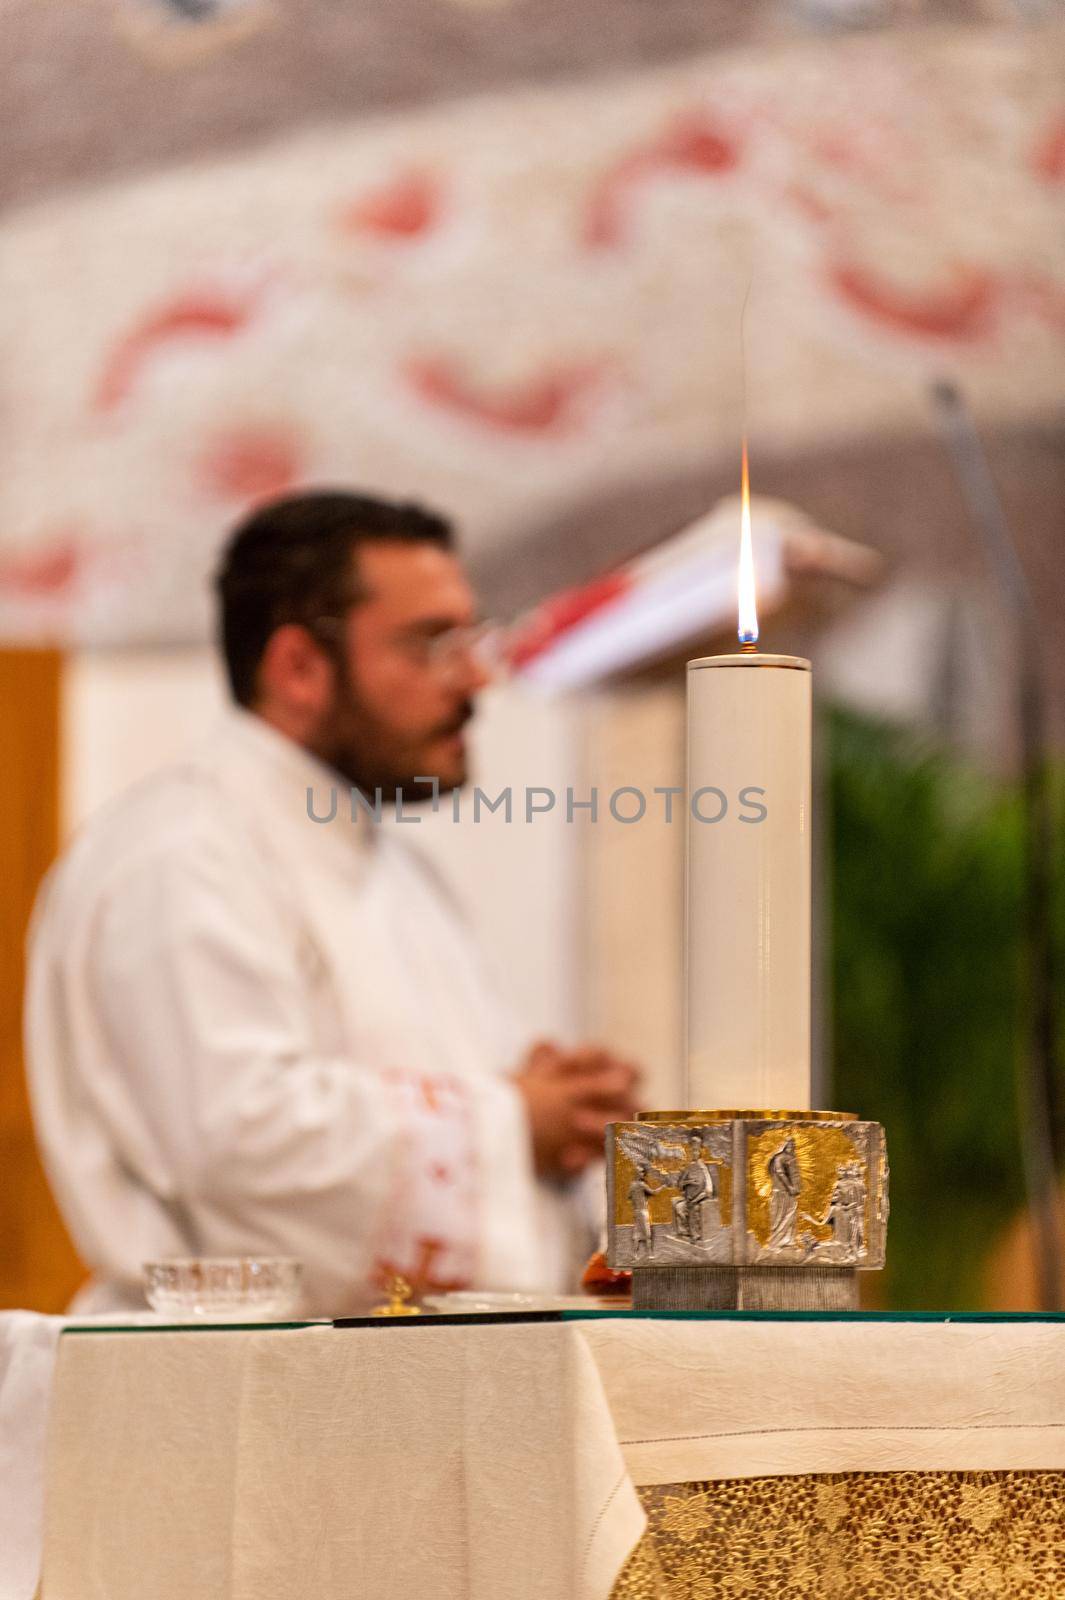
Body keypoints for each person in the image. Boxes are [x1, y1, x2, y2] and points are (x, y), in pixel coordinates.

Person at [25, 490, 638, 1315]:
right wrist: (514, 1120)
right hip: (222, 1391)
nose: (474, 677)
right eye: (431, 643)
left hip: (387, 1380)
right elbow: (239, 1143)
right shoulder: (180, 855)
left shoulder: (399, 870)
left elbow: (470, 1096)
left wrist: (558, 1112)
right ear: (300, 668)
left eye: (470, 638)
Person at [671, 1133, 716, 1244]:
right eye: (693, 1151)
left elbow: (709, 1190)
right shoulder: (690, 1167)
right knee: (679, 1207)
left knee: (693, 1209)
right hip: (689, 1198)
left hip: (700, 1198)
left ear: (700, 1152)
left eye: (696, 1151)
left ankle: (695, 1236)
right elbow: (680, 1184)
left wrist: (696, 1199)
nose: (694, 1153)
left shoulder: (703, 1168)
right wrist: (688, 1182)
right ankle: (684, 1232)